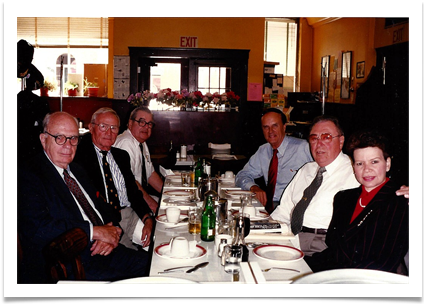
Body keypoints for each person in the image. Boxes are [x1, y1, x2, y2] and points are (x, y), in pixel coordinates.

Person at [17, 111, 149, 283]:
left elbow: (103, 207)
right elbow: (39, 228)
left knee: (154, 267)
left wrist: (113, 232)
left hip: (105, 250)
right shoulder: (28, 175)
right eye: (59, 138)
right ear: (43, 139)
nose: (68, 146)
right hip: (72, 265)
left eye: (73, 139)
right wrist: (94, 232)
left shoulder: (76, 170)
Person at [271, 115, 409, 256]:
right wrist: (268, 230)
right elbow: (283, 210)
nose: (319, 144)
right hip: (290, 236)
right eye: (314, 138)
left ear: (341, 141)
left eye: (326, 137)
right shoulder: (306, 169)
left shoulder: (356, 171)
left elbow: (382, 190)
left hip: (321, 244)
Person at [304, 130, 408, 273]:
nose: (367, 169)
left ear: (388, 163)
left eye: (374, 162)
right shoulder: (343, 198)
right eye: (360, 163)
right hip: (335, 272)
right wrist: (302, 266)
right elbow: (334, 251)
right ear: (353, 167)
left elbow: (384, 262)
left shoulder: (400, 201)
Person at [73, 107, 154, 252]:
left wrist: (147, 218)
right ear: (91, 128)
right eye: (103, 126)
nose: (108, 133)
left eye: (113, 128)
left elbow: (134, 192)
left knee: (157, 243)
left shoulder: (121, 156)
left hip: (129, 215)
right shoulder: (80, 158)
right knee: (135, 258)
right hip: (108, 222)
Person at [235, 107, 313, 213]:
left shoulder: (303, 148)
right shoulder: (263, 150)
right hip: (269, 208)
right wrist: (253, 187)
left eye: (275, 126)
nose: (270, 131)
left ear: (284, 127)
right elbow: (242, 175)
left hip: (295, 209)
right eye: (266, 127)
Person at [113, 106, 163, 213]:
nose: (146, 127)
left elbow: (150, 174)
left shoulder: (141, 143)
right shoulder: (126, 143)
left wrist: (167, 193)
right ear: (130, 124)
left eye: (149, 124)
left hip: (136, 197)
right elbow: (131, 183)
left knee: (167, 205)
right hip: (125, 205)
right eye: (141, 122)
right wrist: (153, 206)